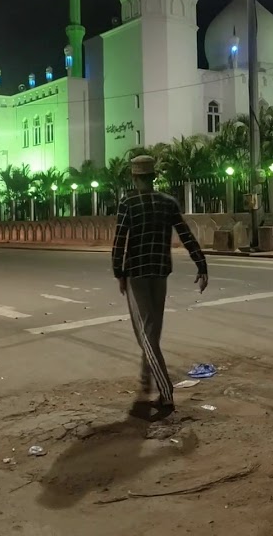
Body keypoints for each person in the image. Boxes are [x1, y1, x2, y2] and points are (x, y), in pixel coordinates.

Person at [111, 154, 209, 418]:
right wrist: (201, 264)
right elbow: (186, 235)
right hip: (160, 274)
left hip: (138, 274)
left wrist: (119, 272)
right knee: (153, 330)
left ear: (134, 178)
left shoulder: (128, 204)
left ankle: (165, 392)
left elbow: (120, 241)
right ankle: (145, 379)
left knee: (145, 334)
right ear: (153, 177)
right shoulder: (168, 203)